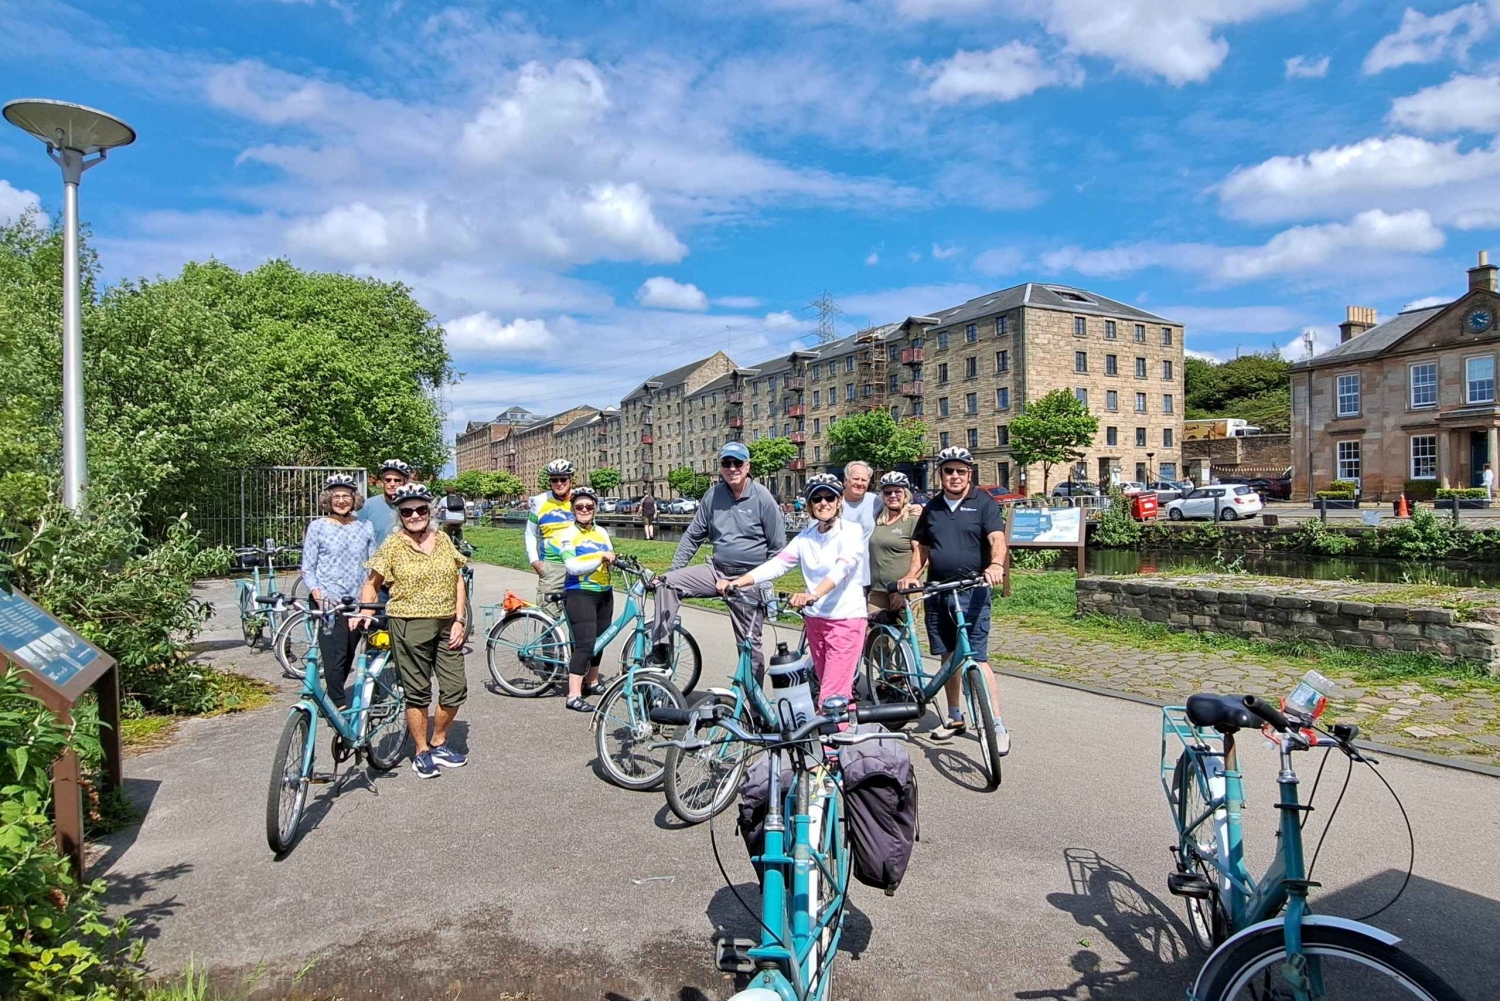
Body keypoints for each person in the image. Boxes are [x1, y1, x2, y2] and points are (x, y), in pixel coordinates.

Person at [898, 446, 1010, 754]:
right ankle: (954, 716)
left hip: (972, 590)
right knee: (948, 657)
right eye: (949, 470)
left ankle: (997, 724)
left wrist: (996, 565)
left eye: (961, 470)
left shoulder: (983, 503)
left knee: (977, 658)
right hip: (938, 591)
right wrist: (912, 575)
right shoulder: (932, 507)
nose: (955, 476)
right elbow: (921, 545)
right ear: (941, 474)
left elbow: (996, 539)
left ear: (969, 474)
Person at [358, 483, 470, 779]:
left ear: (430, 511)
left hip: (447, 623)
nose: (415, 515)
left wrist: (459, 619)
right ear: (400, 515)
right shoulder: (394, 544)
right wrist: (366, 612)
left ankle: (439, 741)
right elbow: (372, 583)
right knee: (417, 692)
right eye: (407, 511)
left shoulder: (443, 539)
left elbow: (458, 580)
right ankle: (421, 750)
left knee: (455, 687)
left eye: (421, 509)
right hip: (408, 624)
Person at [648, 441, 785, 674]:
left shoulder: (762, 498)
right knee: (667, 584)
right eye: (726, 463)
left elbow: (778, 549)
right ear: (720, 467)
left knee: (750, 647)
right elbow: (692, 537)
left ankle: (753, 707)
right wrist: (671, 571)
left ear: (747, 465)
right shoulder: (713, 496)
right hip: (717, 570)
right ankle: (660, 651)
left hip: (748, 577)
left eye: (737, 462)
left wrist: (757, 580)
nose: (732, 468)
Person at [731, 474, 865, 709]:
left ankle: (832, 744)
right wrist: (740, 581)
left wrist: (815, 594)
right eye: (817, 499)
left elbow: (843, 567)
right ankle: (844, 734)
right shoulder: (807, 537)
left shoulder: (851, 531)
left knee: (833, 694)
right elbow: (779, 563)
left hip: (845, 620)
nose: (823, 503)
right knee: (829, 686)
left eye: (829, 497)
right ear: (811, 506)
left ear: (839, 501)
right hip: (815, 620)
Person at [299, 473, 375, 710]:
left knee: (349, 651)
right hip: (327, 600)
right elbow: (308, 567)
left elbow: (372, 564)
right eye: (336, 496)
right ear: (328, 500)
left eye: (346, 496)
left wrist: (366, 601)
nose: (341, 500)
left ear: (354, 499)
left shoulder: (365, 526)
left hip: (356, 600)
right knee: (335, 653)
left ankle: (333, 697)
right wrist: (318, 594)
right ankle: (337, 703)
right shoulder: (318, 527)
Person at [556, 487, 616, 712]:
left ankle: (592, 681)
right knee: (585, 643)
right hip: (580, 592)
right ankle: (573, 695)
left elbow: (609, 554)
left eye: (589, 507)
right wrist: (600, 558)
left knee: (601, 639)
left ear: (595, 509)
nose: (584, 510)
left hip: (604, 591)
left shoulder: (601, 532)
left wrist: (612, 560)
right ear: (573, 509)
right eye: (579, 506)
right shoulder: (567, 535)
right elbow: (572, 566)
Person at [525, 459, 576, 618]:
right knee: (548, 620)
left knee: (579, 622)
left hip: (579, 566)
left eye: (563, 479)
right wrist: (534, 560)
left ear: (571, 479)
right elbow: (530, 533)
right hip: (552, 566)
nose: (559, 483)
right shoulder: (539, 501)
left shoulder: (580, 500)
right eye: (554, 479)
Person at [867, 471, 919, 613]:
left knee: (903, 633)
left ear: (906, 494)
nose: (893, 496)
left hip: (903, 589)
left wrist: (909, 581)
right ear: (882, 496)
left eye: (898, 492)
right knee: (873, 633)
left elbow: (921, 554)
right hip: (878, 590)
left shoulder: (913, 519)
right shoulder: (877, 519)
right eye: (888, 492)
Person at [839, 460, 877, 585]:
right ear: (845, 480)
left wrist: (915, 509)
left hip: (863, 577)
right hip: (835, 574)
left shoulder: (876, 501)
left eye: (864, 480)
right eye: (856, 478)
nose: (859, 483)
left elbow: (898, 505)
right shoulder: (831, 502)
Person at [358, 459, 411, 548]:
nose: (392, 484)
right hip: (376, 560)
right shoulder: (367, 506)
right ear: (382, 482)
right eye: (388, 480)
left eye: (397, 480)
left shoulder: (413, 508)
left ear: (404, 483)